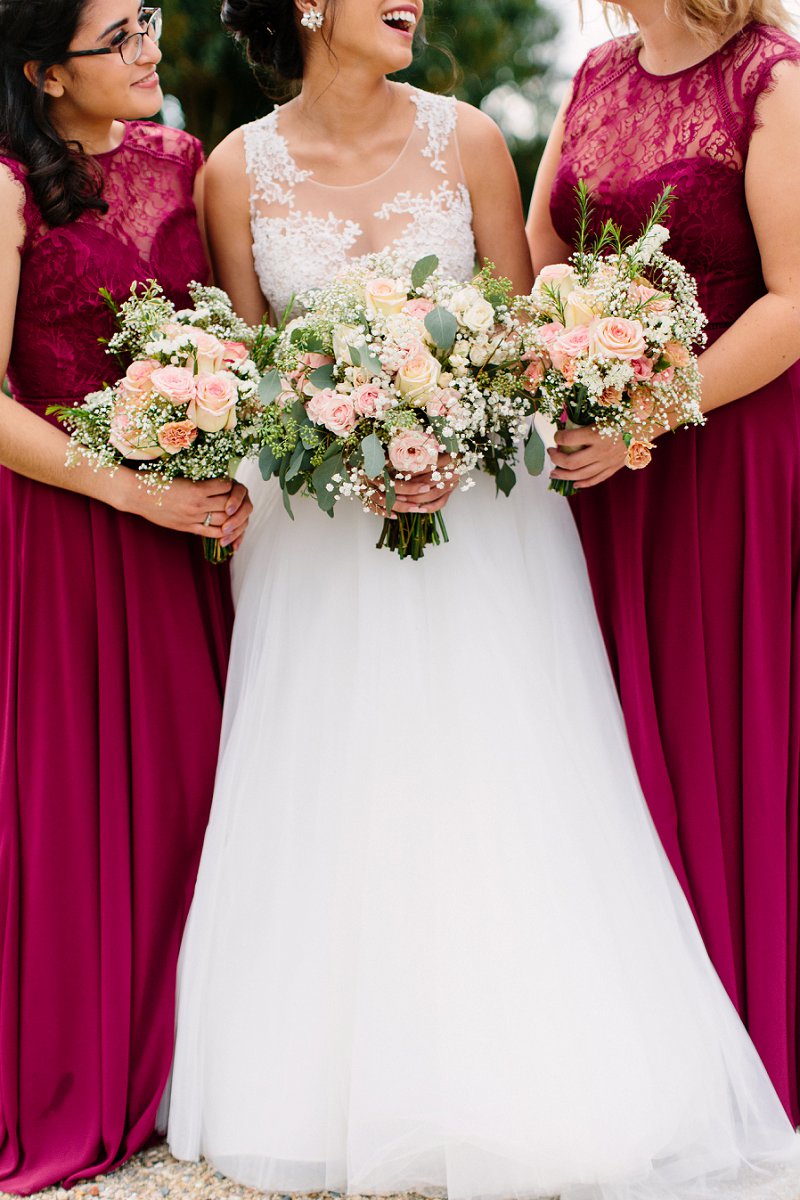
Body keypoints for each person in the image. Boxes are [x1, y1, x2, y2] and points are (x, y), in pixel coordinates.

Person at [164, 1, 800, 1196]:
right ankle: (335, 1077)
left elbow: (519, 327)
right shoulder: (232, 169)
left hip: (484, 523)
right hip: (318, 539)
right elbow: (251, 363)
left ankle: (538, 1065)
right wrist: (333, 431)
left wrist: (453, 426)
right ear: (307, 4)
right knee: (334, 782)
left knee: (499, 772)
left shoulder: (465, 139)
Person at [527, 0, 800, 1126]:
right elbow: (542, 251)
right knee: (615, 744)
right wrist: (559, 341)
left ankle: (748, 1033)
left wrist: (652, 405)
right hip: (603, 468)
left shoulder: (770, 80)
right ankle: (642, 1049)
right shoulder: (593, 73)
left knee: (719, 727)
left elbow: (792, 300)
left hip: (728, 452)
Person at [0, 0, 252, 1191]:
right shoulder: (5, 186)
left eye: (152, 23)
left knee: (192, 785)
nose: (152, 50)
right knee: (72, 799)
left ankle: (188, 1062)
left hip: (182, 528)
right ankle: (80, 1067)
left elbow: (226, 333)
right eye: (122, 39)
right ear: (47, 72)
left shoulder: (181, 161)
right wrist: (128, 492)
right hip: (62, 528)